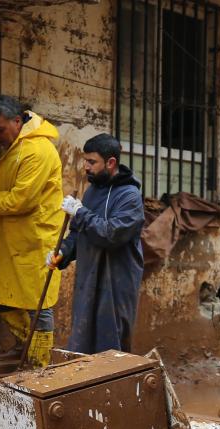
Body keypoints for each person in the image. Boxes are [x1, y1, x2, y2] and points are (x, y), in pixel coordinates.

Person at [0, 95, 64, 367]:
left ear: (17, 121)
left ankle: (39, 362)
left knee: (38, 302)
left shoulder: (37, 150)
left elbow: (21, 199)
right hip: (13, 236)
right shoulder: (17, 145)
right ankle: (22, 346)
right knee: (4, 293)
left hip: (35, 238)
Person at [47, 133, 145, 354]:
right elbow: (79, 234)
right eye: (85, 161)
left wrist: (80, 213)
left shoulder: (130, 196)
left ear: (111, 163)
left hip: (116, 283)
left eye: (92, 162)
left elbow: (111, 234)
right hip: (89, 280)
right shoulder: (92, 191)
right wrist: (62, 251)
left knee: (111, 348)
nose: (86, 167)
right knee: (83, 343)